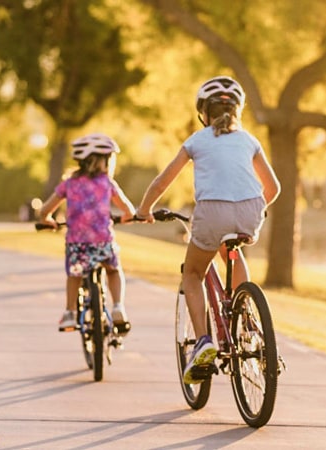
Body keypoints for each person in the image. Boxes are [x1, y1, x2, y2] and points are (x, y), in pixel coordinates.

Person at [136, 76, 280, 384]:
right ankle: (247, 317)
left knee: (193, 273)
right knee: (232, 251)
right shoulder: (249, 140)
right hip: (250, 209)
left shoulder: (197, 140)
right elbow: (274, 187)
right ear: (237, 111)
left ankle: (203, 341)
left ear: (204, 112)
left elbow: (163, 181)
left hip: (212, 211)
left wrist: (144, 209)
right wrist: (255, 209)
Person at [38, 133, 136, 331]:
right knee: (113, 270)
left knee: (75, 274)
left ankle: (69, 312)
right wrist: (125, 217)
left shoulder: (68, 184)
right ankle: (118, 306)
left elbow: (44, 210)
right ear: (102, 161)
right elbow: (129, 210)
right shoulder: (107, 183)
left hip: (77, 244)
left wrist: (48, 221)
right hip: (103, 242)